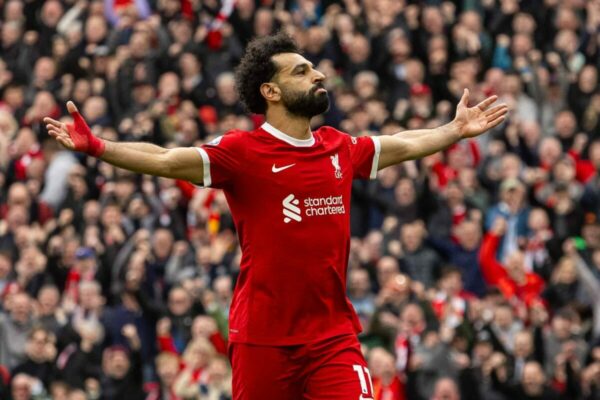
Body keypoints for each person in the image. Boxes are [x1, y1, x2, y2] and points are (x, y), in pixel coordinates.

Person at [44, 31, 507, 399]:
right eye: (303, 71)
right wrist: (99, 147)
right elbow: (166, 159)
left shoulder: (338, 147)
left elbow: (402, 144)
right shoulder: (241, 152)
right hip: (263, 339)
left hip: (332, 335)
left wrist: (453, 130)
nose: (319, 74)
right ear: (271, 90)